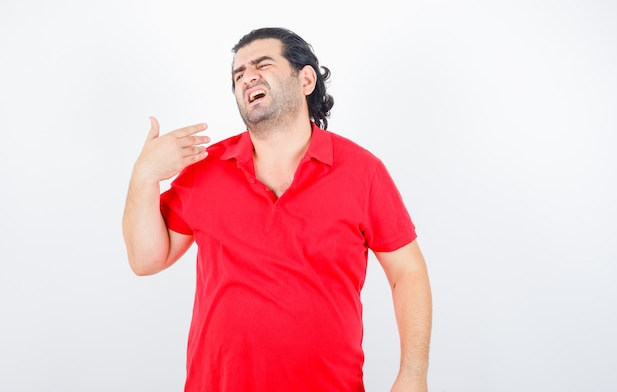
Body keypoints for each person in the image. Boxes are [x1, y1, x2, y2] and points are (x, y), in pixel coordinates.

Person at [122, 27, 432, 392]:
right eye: (238, 74)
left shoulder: (363, 171)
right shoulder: (205, 169)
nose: (246, 77)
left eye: (262, 64)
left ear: (305, 79)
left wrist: (412, 374)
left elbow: (407, 272)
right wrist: (144, 176)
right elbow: (145, 260)